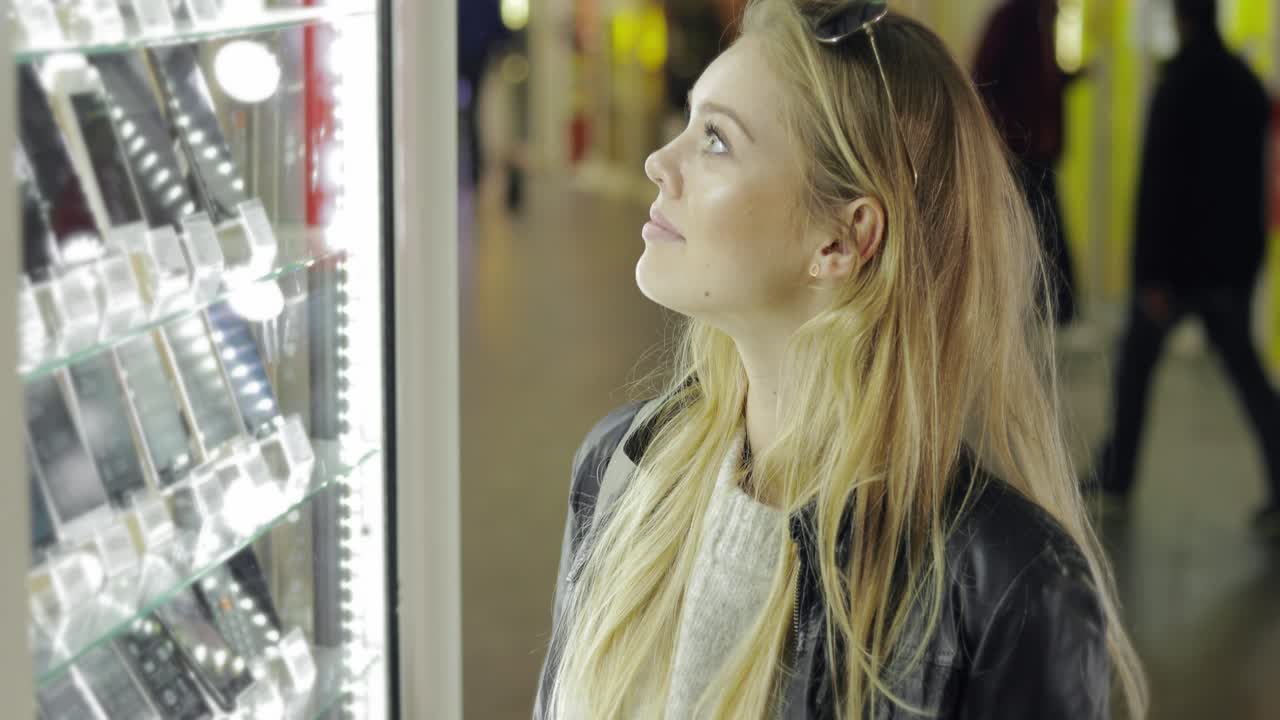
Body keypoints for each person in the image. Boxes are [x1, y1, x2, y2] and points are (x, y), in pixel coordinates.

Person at [535, 1, 1146, 718]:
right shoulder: (620, 470)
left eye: (716, 140)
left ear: (842, 239)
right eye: (690, 123)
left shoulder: (1008, 591)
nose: (659, 162)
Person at [1089, 0, 1280, 536]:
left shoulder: (1177, 87)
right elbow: (1256, 184)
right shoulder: (1246, 85)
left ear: (1181, 20)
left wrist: (1150, 275)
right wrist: (1250, 263)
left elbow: (1158, 189)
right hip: (1228, 268)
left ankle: (1118, 476)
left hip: (1175, 271)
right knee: (1248, 378)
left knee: (1136, 367)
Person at [973, 0, 1081, 326]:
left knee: (1042, 228)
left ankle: (1054, 308)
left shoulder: (1038, 21)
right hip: (1019, 149)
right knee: (1029, 229)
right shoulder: (1016, 20)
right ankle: (1041, 308)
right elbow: (986, 77)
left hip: (1033, 149)